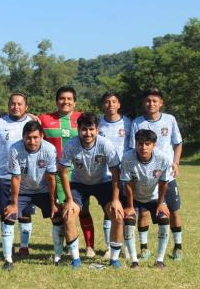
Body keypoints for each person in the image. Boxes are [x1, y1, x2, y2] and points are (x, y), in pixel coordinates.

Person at [59, 113, 124, 269]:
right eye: (84, 129)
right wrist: (69, 200)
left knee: (118, 216)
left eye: (91, 129)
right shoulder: (71, 145)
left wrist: (116, 200)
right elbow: (63, 172)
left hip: (102, 183)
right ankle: (75, 260)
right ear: (78, 129)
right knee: (68, 216)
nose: (87, 133)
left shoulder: (105, 144)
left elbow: (115, 172)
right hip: (79, 184)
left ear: (97, 129)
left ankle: (114, 259)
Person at [39, 86, 96, 259]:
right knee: (60, 210)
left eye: (69, 99)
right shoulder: (45, 119)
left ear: (75, 102)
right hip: (56, 173)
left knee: (83, 209)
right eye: (62, 98)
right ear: (56, 101)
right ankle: (66, 246)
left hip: (79, 173)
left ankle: (90, 247)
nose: (65, 102)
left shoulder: (82, 118)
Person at [129, 88, 183, 261]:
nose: (151, 104)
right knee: (143, 211)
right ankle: (144, 248)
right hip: (144, 175)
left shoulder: (170, 119)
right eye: (148, 101)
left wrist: (176, 162)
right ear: (143, 103)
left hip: (166, 175)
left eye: (154, 100)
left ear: (161, 103)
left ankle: (178, 247)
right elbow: (132, 147)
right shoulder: (137, 122)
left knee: (173, 211)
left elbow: (178, 143)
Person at [0, 92, 35, 261]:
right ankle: (9, 246)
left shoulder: (32, 122)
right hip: (3, 174)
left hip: (26, 175)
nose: (16, 106)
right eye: (12, 103)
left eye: (20, 104)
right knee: (5, 211)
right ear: (8, 105)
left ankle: (24, 246)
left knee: (25, 212)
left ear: (26, 107)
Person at [2, 121, 57, 270]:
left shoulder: (49, 149)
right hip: (23, 191)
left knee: (57, 217)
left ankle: (58, 257)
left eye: (35, 137)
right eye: (28, 138)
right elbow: (16, 178)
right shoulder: (15, 149)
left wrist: (53, 203)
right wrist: (13, 204)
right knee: (8, 216)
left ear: (41, 136)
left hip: (43, 191)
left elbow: (51, 178)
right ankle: (8, 260)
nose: (32, 141)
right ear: (23, 137)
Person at [121, 129, 172, 269]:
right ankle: (134, 261)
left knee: (164, 218)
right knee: (129, 219)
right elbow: (128, 184)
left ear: (154, 145)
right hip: (135, 196)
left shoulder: (163, 158)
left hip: (154, 196)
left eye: (147, 144)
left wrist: (161, 204)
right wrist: (130, 206)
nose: (143, 147)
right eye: (140, 143)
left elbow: (163, 183)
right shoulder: (127, 157)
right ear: (135, 144)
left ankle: (160, 260)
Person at [98, 92, 132, 258]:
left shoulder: (128, 123)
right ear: (102, 105)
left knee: (123, 212)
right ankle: (108, 247)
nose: (110, 105)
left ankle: (123, 246)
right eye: (106, 102)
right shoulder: (98, 123)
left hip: (124, 174)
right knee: (108, 211)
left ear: (119, 104)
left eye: (113, 102)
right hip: (104, 174)